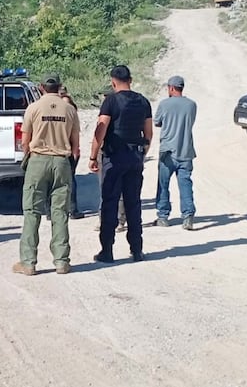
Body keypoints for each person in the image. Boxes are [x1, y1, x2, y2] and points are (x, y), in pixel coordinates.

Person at [13, 73, 80, 276]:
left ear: (41, 87)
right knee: (60, 213)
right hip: (61, 162)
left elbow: (25, 141)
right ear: (59, 87)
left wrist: (27, 158)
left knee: (32, 212)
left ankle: (28, 262)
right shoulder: (69, 109)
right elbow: (75, 143)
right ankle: (61, 261)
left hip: (38, 160)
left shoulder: (33, 108)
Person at [89, 65, 152, 263]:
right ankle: (137, 250)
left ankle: (107, 251)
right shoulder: (143, 101)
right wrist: (142, 154)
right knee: (133, 204)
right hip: (135, 157)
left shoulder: (110, 101)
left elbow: (101, 130)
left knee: (110, 203)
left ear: (113, 81)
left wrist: (93, 156)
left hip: (114, 158)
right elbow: (148, 134)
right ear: (130, 80)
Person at [153, 75, 197, 230]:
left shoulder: (164, 104)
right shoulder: (192, 105)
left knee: (163, 184)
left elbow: (157, 122)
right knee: (185, 184)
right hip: (185, 151)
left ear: (171, 88)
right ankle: (188, 216)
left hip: (167, 151)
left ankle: (163, 216)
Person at [59, 86, 84, 220]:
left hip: (66, 149)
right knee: (66, 180)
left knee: (67, 180)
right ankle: (71, 210)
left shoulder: (54, 109)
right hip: (64, 149)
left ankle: (71, 209)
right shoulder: (70, 110)